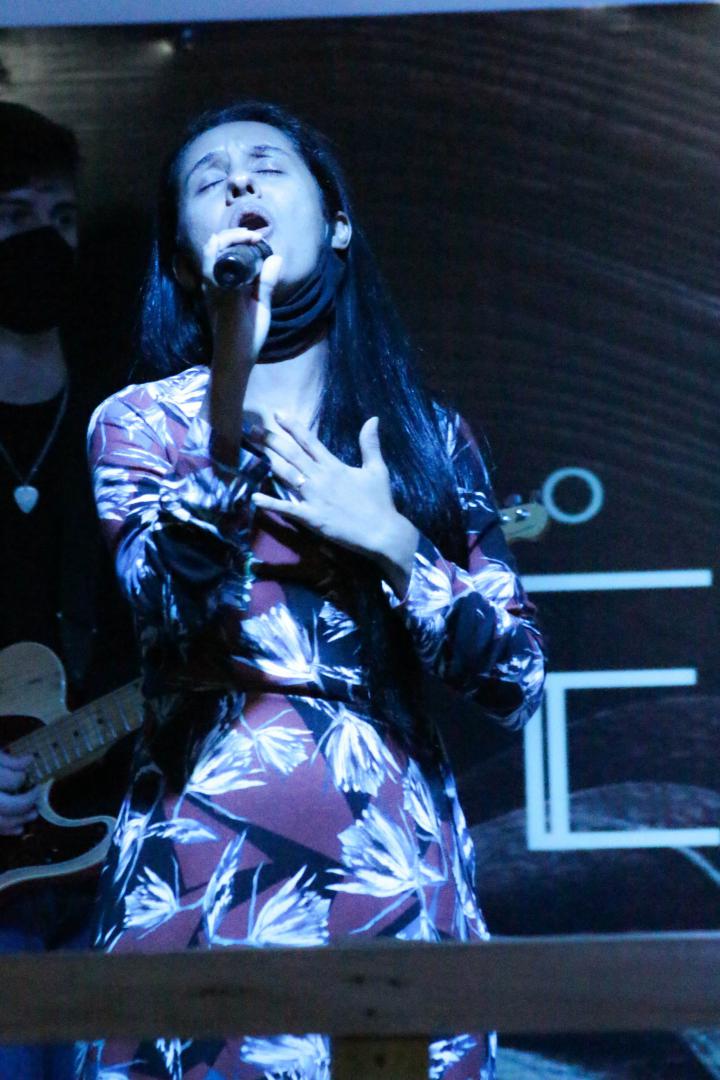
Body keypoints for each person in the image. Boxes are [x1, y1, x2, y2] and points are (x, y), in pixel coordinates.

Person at [77, 100, 545, 1080]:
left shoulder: (425, 436)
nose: (239, 184)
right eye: (208, 181)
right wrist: (230, 383)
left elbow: (516, 681)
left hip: (388, 867)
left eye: (266, 166)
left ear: (336, 224)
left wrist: (392, 542)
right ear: (184, 260)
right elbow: (169, 596)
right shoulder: (141, 425)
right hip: (202, 864)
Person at [0, 103, 135, 1079]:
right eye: (12, 217)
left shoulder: (125, 418)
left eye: (61, 217)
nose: (43, 241)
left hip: (105, 854)